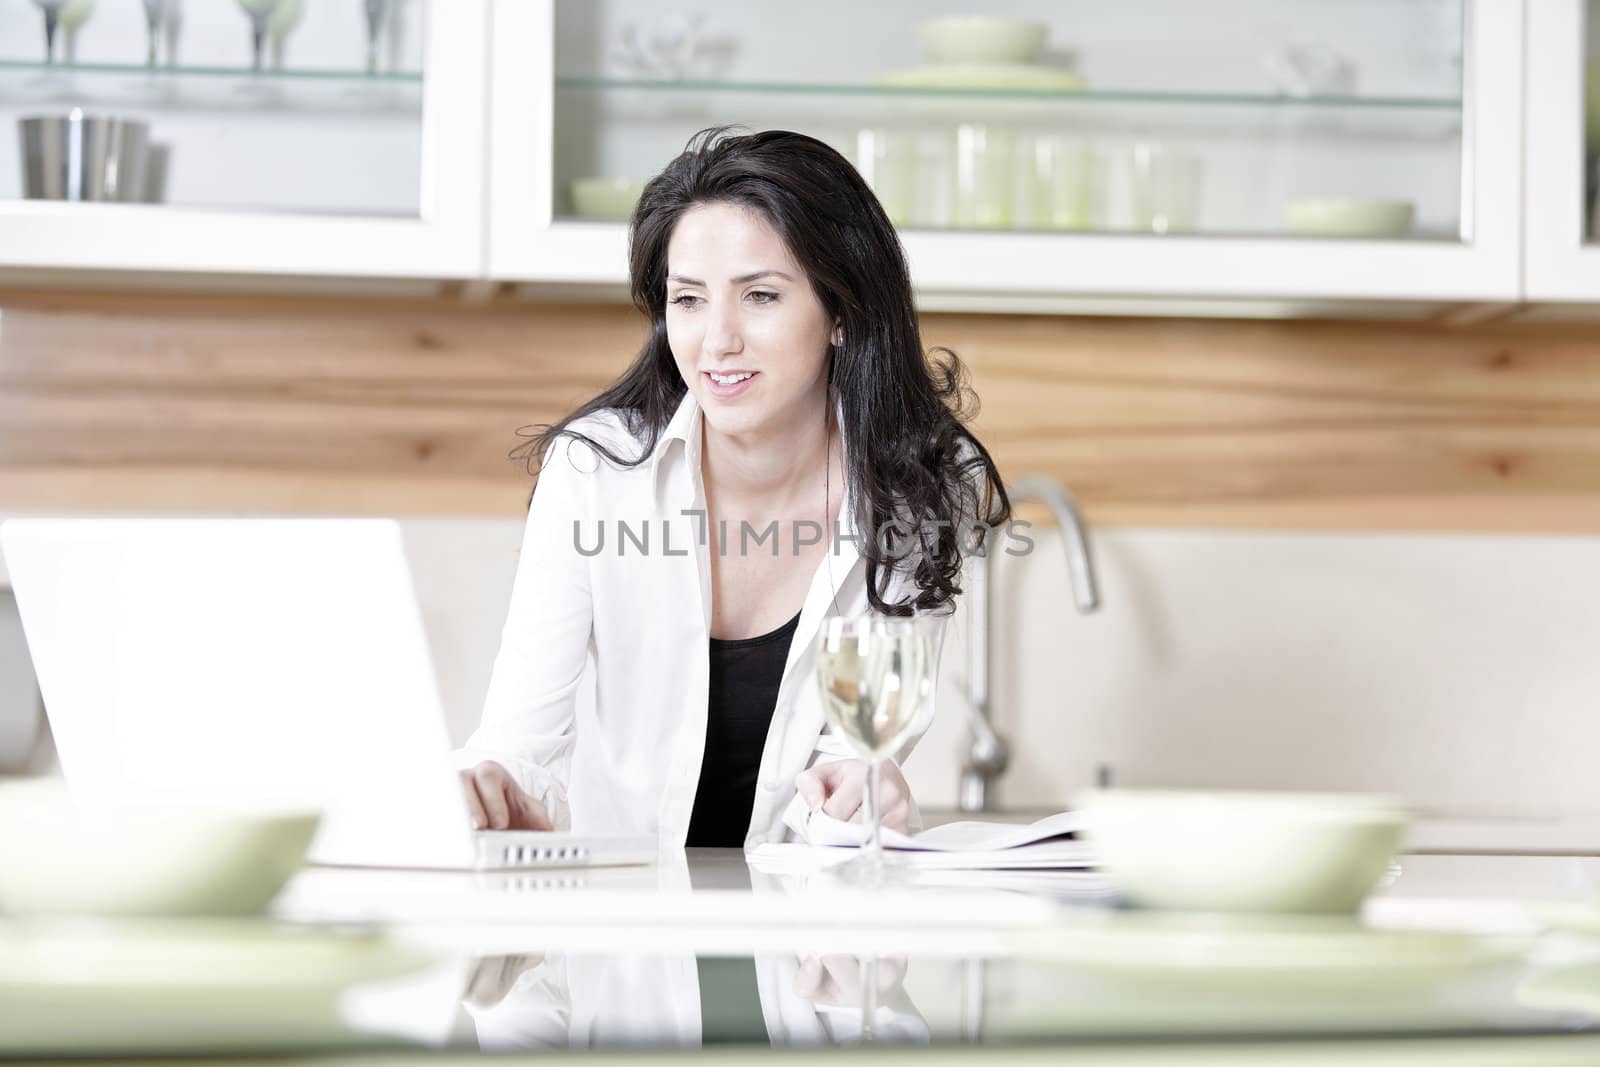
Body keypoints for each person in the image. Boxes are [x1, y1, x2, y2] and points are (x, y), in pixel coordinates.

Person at [454, 126, 1009, 850]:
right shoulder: (596, 474)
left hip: (803, 936)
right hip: (619, 940)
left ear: (841, 310)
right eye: (688, 300)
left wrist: (866, 788)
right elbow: (521, 743)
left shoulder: (918, 486)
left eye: (760, 296)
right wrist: (501, 797)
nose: (716, 340)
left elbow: (859, 753)